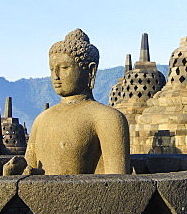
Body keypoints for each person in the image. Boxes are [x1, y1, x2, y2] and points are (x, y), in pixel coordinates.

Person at [20, 29, 131, 175]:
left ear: (90, 71)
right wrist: (13, 173)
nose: (56, 76)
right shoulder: (41, 120)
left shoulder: (107, 118)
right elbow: (28, 169)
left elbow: (118, 183)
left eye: (64, 68)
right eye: (52, 69)